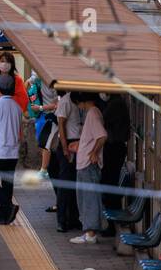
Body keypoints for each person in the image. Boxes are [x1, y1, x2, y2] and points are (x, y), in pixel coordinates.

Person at [0, 67, 24, 225]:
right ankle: (4, 216)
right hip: (12, 153)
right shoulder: (17, 108)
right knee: (7, 183)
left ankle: (8, 206)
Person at [70, 93, 108, 244]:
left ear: (81, 102)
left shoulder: (92, 113)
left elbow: (102, 136)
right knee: (86, 198)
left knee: (89, 198)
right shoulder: (94, 113)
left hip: (88, 164)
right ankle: (88, 232)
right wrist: (81, 144)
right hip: (85, 163)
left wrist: (93, 152)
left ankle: (91, 233)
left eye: (77, 104)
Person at [52, 88, 84, 233]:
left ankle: (74, 218)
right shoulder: (66, 102)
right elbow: (61, 125)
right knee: (65, 183)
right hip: (68, 143)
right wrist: (65, 148)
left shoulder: (81, 100)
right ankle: (61, 220)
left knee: (75, 183)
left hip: (79, 143)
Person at [100, 91, 130, 214]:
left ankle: (112, 214)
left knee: (110, 181)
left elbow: (102, 118)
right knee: (111, 181)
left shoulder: (115, 104)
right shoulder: (118, 102)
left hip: (114, 146)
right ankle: (112, 212)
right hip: (117, 146)